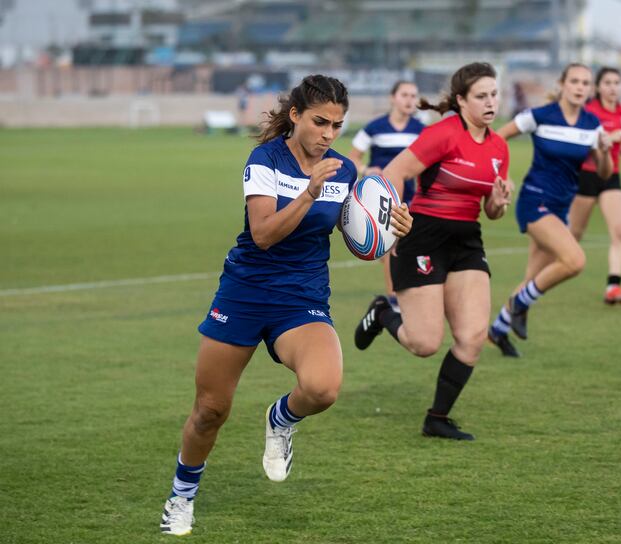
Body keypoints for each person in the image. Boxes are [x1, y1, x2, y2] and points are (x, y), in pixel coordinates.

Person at [158, 74, 412, 536]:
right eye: (320, 122)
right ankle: (182, 495)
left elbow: (357, 240)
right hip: (245, 292)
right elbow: (264, 234)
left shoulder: (343, 170)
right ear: (295, 116)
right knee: (210, 410)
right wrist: (309, 191)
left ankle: (281, 419)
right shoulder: (265, 160)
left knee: (323, 388)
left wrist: (389, 229)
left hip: (302, 297)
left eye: (337, 125)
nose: (329, 135)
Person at [353, 62, 512, 441]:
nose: (491, 102)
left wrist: (498, 203)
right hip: (423, 235)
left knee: (472, 337)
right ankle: (381, 313)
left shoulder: (499, 147)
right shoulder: (443, 133)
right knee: (424, 343)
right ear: (461, 101)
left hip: (466, 240)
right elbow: (393, 172)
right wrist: (395, 218)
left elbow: (491, 211)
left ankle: (437, 418)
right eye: (481, 96)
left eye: (494, 94)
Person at [487, 63, 612, 357]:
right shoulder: (540, 116)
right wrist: (499, 174)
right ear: (563, 84)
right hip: (534, 201)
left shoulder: (592, 125)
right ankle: (519, 304)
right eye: (575, 81)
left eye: (585, 83)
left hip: (560, 207)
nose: (580, 87)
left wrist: (604, 150)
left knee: (533, 278)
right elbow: (496, 139)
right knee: (574, 260)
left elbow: (605, 173)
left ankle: (498, 330)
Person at [348, 81, 426, 308]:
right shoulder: (374, 127)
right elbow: (353, 157)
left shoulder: (421, 130)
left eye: (414, 95)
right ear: (393, 98)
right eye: (405, 95)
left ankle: (404, 294)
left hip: (411, 197)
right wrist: (365, 170)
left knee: (408, 246)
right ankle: (393, 299)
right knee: (391, 245)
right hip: (380, 199)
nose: (410, 100)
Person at [568, 67, 621, 305]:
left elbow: (616, 144)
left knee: (619, 232)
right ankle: (540, 277)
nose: (612, 87)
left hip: (612, 177)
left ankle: (614, 286)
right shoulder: (589, 111)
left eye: (616, 83)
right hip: (588, 176)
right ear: (598, 87)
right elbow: (583, 144)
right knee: (573, 236)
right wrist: (610, 137)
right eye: (607, 83)